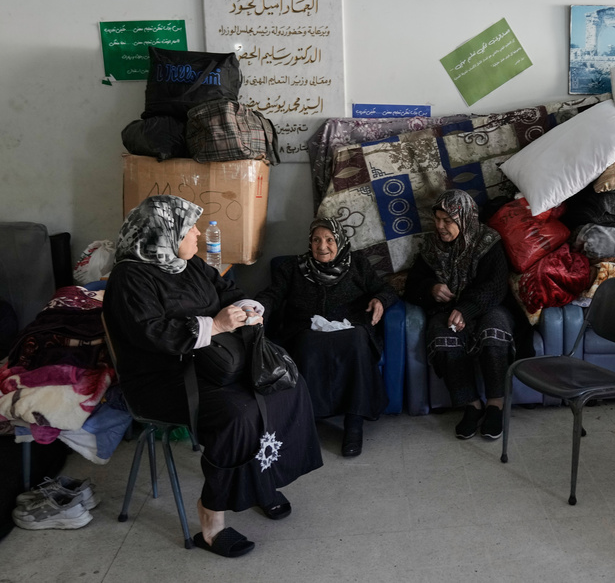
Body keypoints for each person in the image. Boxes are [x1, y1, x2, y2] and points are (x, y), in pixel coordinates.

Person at [104, 195, 323, 558]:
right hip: (162, 377)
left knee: (284, 384)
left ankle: (260, 482)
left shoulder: (185, 263)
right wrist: (216, 325)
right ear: (164, 233)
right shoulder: (130, 277)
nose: (199, 234)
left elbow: (228, 291)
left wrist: (248, 308)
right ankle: (211, 518)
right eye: (190, 228)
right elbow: (151, 334)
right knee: (239, 413)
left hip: (214, 363)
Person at [256, 218, 397, 458]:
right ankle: (309, 422)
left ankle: (354, 424)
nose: (323, 246)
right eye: (316, 240)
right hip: (306, 329)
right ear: (309, 242)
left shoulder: (358, 264)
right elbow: (273, 294)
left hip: (350, 327)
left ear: (339, 241)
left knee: (356, 342)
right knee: (308, 345)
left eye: (329, 240)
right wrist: (257, 308)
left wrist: (380, 300)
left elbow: (386, 289)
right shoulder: (293, 268)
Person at [404, 190, 515, 440]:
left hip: (487, 307)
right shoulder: (432, 246)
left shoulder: (488, 241)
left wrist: (466, 309)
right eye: (438, 219)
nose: (440, 226)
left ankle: (495, 405)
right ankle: (472, 405)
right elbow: (412, 284)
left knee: (493, 333)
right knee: (444, 338)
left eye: (448, 221)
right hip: (446, 310)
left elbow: (496, 286)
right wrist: (431, 288)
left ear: (464, 218)